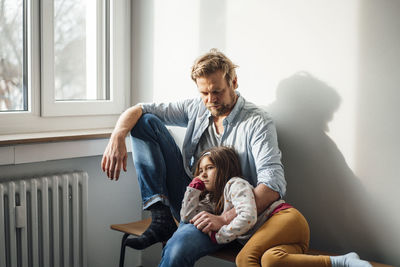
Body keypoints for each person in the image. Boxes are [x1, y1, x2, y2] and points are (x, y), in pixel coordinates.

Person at [101, 48, 285, 251]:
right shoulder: (197, 107)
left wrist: (224, 218)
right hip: (191, 198)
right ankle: (161, 217)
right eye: (204, 93)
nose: (211, 99)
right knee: (145, 122)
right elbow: (140, 108)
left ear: (233, 83)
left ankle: (175, 231)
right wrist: (118, 135)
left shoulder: (257, 122)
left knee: (178, 248)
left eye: (217, 91)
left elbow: (273, 184)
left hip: (234, 209)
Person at [160, 146, 373, 267]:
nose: (203, 174)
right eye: (199, 170)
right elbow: (187, 218)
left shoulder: (235, 185)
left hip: (285, 219)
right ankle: (343, 262)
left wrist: (220, 234)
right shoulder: (211, 202)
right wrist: (193, 190)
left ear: (224, 169)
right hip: (287, 240)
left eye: (209, 168)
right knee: (270, 261)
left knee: (245, 259)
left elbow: (248, 216)